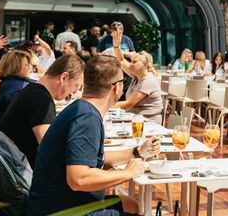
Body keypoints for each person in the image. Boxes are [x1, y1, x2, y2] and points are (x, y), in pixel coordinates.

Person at [26, 55, 160, 216]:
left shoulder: (81, 109)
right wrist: (128, 173)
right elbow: (78, 179)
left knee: (131, 205)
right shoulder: (86, 119)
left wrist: (136, 152)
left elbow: (92, 158)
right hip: (63, 210)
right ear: (116, 88)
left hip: (57, 203)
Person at [0, 55, 85, 167]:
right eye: (76, 86)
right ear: (64, 77)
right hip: (25, 173)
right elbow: (51, 148)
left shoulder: (33, 91)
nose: (75, 92)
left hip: (15, 164)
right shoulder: (41, 100)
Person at [110, 30, 163, 124]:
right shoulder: (136, 77)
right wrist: (116, 46)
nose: (131, 64)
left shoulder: (148, 81)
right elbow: (121, 60)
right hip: (136, 119)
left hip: (149, 123)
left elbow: (129, 103)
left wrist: (105, 105)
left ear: (145, 64)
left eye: (135, 62)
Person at [0, 49, 36, 131]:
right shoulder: (15, 86)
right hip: (8, 137)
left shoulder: (6, 82)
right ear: (15, 66)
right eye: (26, 65)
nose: (29, 68)